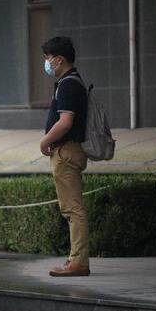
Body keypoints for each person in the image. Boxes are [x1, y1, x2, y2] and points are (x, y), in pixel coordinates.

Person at [39, 37, 90, 277]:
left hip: (66, 151)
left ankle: (78, 261)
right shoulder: (69, 82)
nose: (46, 63)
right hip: (68, 150)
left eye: (48, 58)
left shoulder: (69, 84)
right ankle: (76, 259)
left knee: (73, 209)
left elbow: (65, 121)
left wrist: (45, 140)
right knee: (71, 208)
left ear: (59, 60)